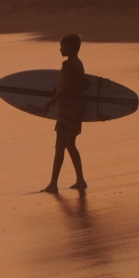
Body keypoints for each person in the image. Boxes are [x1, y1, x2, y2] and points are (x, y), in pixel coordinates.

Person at [39, 34, 88, 193]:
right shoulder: (79, 64)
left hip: (68, 108)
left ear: (71, 48)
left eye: (63, 46)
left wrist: (50, 101)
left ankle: (53, 184)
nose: (60, 48)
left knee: (60, 145)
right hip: (77, 107)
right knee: (70, 144)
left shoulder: (67, 65)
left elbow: (64, 89)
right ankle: (80, 180)